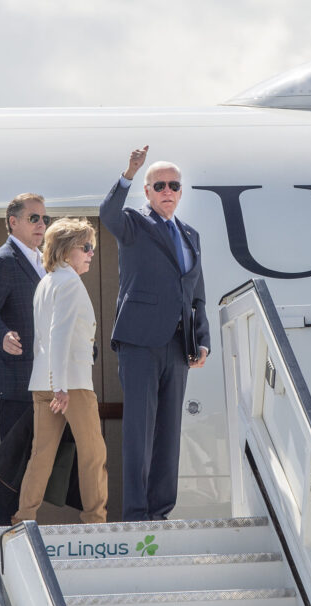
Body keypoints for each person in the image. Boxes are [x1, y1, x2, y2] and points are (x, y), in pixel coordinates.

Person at [100, 146, 210, 521]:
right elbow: (107, 214)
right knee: (139, 431)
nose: (167, 191)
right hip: (139, 341)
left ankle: (160, 511)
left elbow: (196, 293)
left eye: (173, 185)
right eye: (159, 185)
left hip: (178, 344)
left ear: (180, 192)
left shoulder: (190, 234)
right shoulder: (134, 223)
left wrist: (202, 340)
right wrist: (128, 173)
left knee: (169, 431)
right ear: (147, 191)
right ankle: (136, 512)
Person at [12, 218, 107, 524]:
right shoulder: (70, 283)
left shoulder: (46, 282)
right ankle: (95, 521)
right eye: (86, 247)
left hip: (43, 382)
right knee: (93, 454)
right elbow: (59, 334)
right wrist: (61, 387)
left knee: (41, 455)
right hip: (70, 384)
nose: (91, 253)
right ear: (67, 251)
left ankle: (23, 518)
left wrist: (53, 384)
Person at [0, 192, 50, 525]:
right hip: (16, 382)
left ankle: (22, 528)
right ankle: (4, 533)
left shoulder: (44, 260)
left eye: (44, 218)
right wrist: (2, 335)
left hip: (43, 380)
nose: (41, 224)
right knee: (13, 467)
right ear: (13, 222)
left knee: (35, 465)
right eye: (34, 218)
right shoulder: (3, 260)